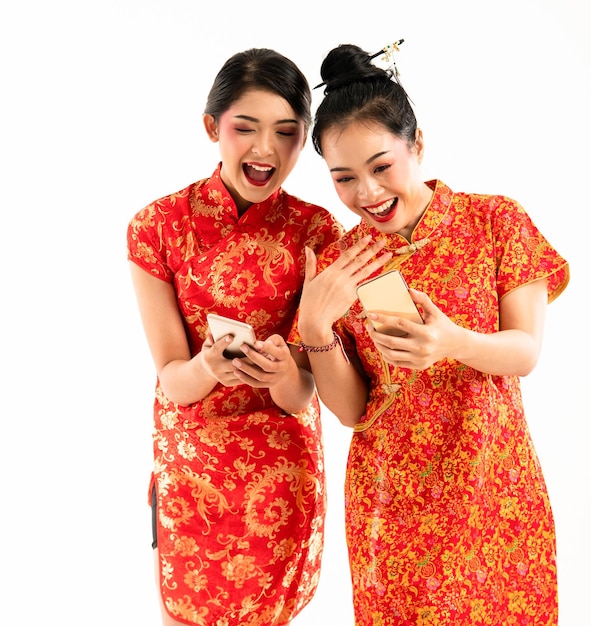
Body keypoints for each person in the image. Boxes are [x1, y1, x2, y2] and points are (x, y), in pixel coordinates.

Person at [293, 42, 569, 625]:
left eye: (381, 167)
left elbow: (525, 352)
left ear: (416, 144)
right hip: (391, 507)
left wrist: (454, 343)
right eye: (343, 179)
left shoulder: (495, 221)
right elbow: (351, 410)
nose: (366, 193)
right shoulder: (343, 262)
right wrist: (317, 325)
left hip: (492, 489)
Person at [127, 48, 344, 626]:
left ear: (307, 139)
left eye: (287, 132)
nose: (264, 149)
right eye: (245, 128)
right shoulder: (156, 227)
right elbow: (174, 380)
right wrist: (208, 368)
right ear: (211, 126)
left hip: (281, 469)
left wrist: (282, 375)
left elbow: (304, 392)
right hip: (191, 459)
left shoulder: (318, 231)